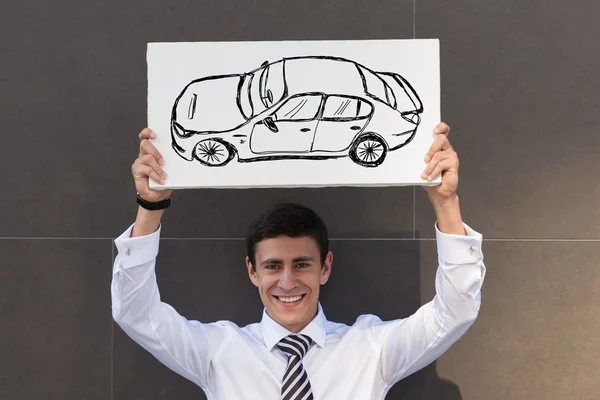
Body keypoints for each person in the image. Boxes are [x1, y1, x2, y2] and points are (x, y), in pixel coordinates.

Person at [111, 122, 486, 399]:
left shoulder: (371, 348)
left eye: (302, 264)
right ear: (252, 272)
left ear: (325, 268)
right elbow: (135, 313)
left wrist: (445, 203)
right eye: (273, 266)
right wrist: (151, 205)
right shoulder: (217, 351)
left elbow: (454, 312)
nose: (287, 282)